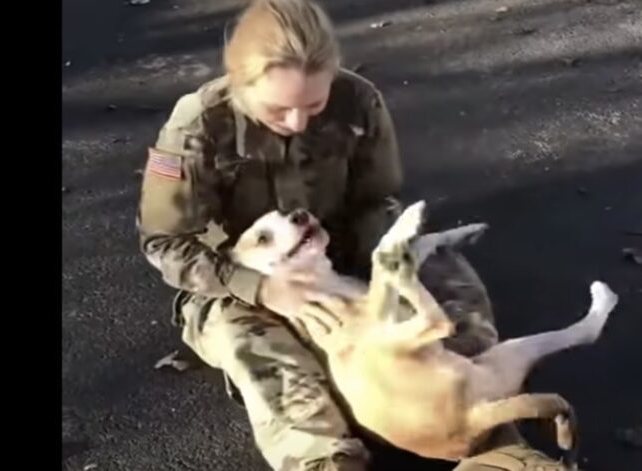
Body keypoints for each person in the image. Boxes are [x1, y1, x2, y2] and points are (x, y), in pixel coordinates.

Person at [137, 0, 574, 470]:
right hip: (237, 284)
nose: (298, 122)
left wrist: (382, 285)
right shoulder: (198, 125)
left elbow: (377, 201)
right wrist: (262, 288)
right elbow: (165, 244)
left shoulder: (358, 101)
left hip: (344, 257)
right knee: (272, 362)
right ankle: (327, 462)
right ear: (240, 82)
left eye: (314, 104)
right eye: (277, 109)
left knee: (447, 299)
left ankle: (491, 438)